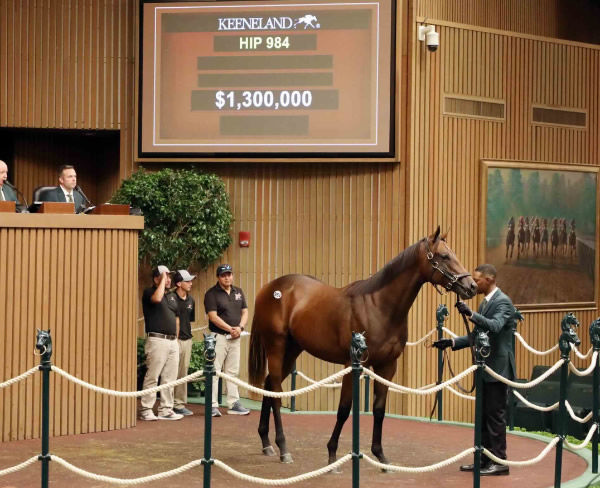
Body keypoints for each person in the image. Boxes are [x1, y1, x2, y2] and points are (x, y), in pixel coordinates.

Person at [433, 264, 516, 476]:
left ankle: (500, 461)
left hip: (498, 369)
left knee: (495, 417)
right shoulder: (485, 303)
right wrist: (452, 342)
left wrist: (470, 314)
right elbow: (477, 335)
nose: (474, 284)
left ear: (489, 279)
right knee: (482, 416)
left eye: (477, 280)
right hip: (484, 368)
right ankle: (483, 460)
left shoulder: (503, 302)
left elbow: (495, 326)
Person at [204, 264, 250, 417]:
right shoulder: (211, 293)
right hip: (219, 337)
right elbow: (213, 316)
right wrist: (230, 329)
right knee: (215, 371)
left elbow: (245, 311)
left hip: (236, 337)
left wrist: (240, 328)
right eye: (224, 275)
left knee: (232, 371)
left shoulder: (239, 291)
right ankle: (212, 405)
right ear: (218, 277)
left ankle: (233, 403)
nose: (227, 277)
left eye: (229, 274)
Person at [140, 265, 183, 421]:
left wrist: (176, 340)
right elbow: (157, 299)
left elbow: (176, 318)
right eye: (165, 276)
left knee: (169, 377)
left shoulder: (171, 296)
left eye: (169, 277)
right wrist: (162, 281)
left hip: (172, 341)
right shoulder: (149, 292)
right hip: (157, 339)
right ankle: (146, 409)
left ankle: (166, 409)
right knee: (153, 375)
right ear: (156, 278)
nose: (169, 279)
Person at [172, 269, 197, 416]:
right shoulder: (170, 298)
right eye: (187, 281)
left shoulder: (191, 300)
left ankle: (179, 404)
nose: (190, 283)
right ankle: (167, 404)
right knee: (170, 374)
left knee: (183, 373)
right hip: (173, 341)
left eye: (191, 280)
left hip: (187, 340)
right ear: (178, 283)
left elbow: (189, 321)